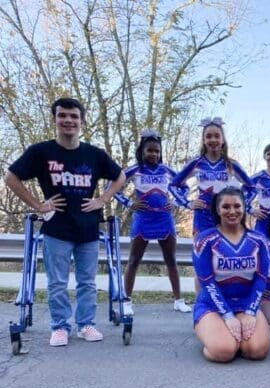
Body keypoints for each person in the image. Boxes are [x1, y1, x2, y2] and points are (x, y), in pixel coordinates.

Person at [5, 97, 126, 346]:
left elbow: (120, 176)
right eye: (63, 116)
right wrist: (38, 205)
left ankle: (86, 324)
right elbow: (10, 177)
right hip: (56, 228)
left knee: (87, 282)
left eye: (73, 116)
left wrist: (102, 199)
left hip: (88, 227)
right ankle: (60, 326)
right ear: (55, 119)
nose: (68, 121)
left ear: (82, 121)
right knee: (58, 282)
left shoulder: (94, 154)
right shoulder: (41, 152)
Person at [112, 129, 191, 315]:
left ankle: (178, 300)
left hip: (165, 218)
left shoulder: (166, 170)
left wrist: (177, 201)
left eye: (157, 151)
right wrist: (129, 204)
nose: (154, 154)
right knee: (133, 260)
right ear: (142, 151)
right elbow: (112, 187)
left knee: (171, 259)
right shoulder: (135, 169)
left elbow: (185, 186)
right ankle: (126, 301)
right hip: (143, 219)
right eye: (150, 150)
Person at [192, 187, 270, 362]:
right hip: (212, 304)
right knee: (225, 351)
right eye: (226, 207)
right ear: (218, 210)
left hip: (246, 303)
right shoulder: (205, 240)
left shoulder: (259, 240)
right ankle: (210, 332)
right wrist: (228, 316)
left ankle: (236, 334)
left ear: (244, 208)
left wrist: (250, 312)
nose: (232, 211)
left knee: (256, 351)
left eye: (237, 206)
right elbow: (207, 282)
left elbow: (261, 280)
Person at [168, 117, 255, 237]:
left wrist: (241, 204)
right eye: (208, 136)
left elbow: (252, 188)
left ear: (223, 139)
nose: (213, 139)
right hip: (203, 215)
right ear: (203, 140)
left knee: (225, 253)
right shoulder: (195, 163)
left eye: (217, 136)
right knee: (202, 251)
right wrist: (187, 203)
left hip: (226, 216)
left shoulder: (232, 164)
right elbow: (173, 185)